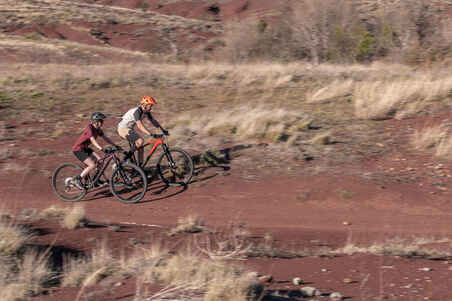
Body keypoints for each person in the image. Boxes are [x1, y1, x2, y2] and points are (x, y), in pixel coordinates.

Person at [117, 96, 169, 166]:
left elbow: (154, 122)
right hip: (122, 128)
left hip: (129, 129)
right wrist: (151, 134)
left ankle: (140, 168)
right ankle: (124, 160)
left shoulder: (146, 112)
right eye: (150, 105)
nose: (151, 107)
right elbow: (140, 126)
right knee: (140, 141)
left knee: (141, 148)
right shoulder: (137, 111)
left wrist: (163, 130)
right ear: (145, 105)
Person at [71, 112, 118, 189]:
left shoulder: (98, 129)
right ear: (96, 121)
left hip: (85, 148)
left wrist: (115, 145)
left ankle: (96, 180)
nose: (103, 122)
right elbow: (93, 140)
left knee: (100, 161)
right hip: (78, 149)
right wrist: (102, 149)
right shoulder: (90, 129)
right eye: (101, 121)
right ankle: (77, 179)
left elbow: (105, 138)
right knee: (92, 165)